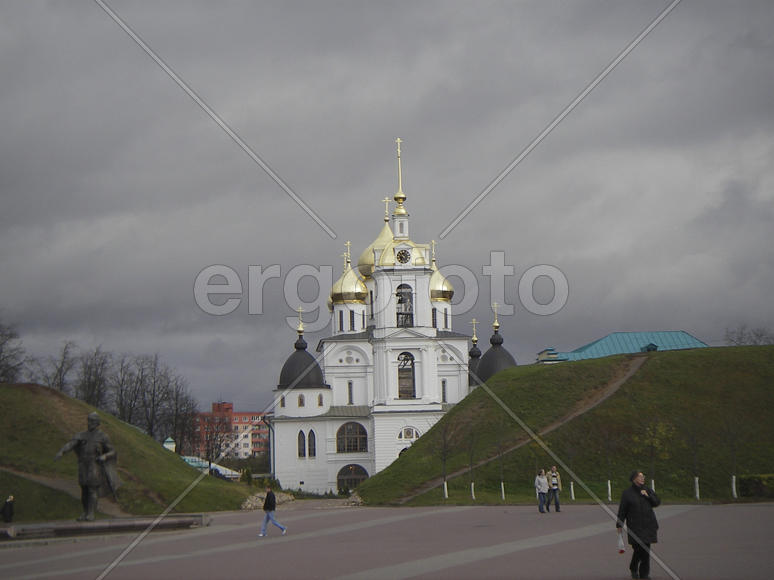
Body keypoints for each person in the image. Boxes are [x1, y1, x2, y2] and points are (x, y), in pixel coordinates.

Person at [55, 412, 118, 522]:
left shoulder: (103, 436)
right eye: (89, 420)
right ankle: (85, 512)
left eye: (93, 421)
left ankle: (91, 513)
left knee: (92, 489)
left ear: (98, 423)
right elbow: (71, 444)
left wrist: (104, 456)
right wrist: (62, 451)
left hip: (95, 464)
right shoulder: (82, 435)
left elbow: (112, 451)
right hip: (83, 464)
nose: (90, 423)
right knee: (84, 489)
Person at [616, 470, 661, 580]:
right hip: (635, 526)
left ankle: (644, 575)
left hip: (648, 525)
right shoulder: (627, 493)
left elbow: (656, 502)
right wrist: (619, 525)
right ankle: (633, 567)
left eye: (643, 476)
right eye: (640, 476)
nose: (643, 478)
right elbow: (622, 510)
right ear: (634, 478)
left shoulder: (648, 490)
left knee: (645, 550)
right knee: (638, 549)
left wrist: (648, 496)